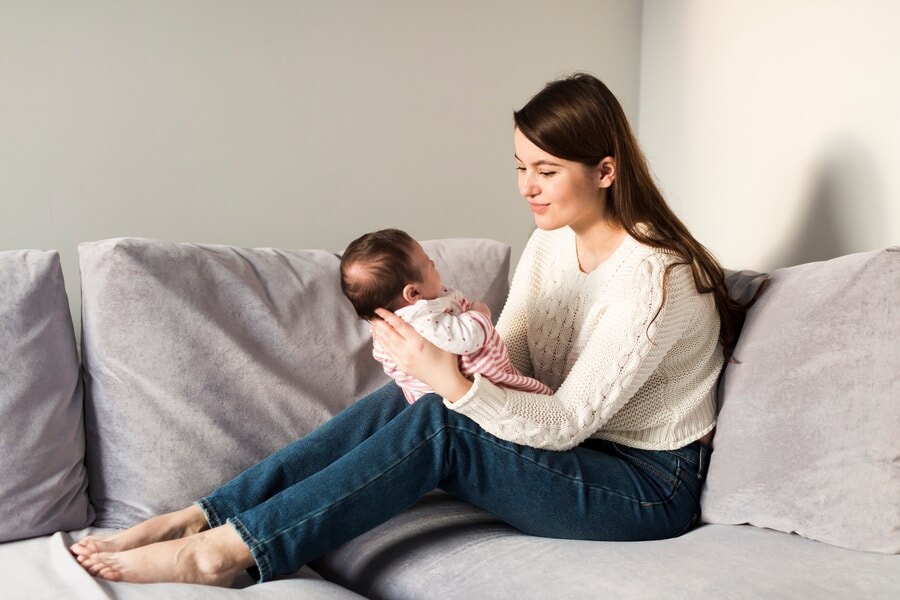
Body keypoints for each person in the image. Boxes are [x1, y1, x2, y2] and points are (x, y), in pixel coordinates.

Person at [70, 72, 761, 586]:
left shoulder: (655, 276)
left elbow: (567, 423)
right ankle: (204, 515)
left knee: (441, 419)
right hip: (576, 449)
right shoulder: (552, 241)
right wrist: (443, 358)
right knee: (406, 401)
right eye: (521, 167)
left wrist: (450, 384)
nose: (527, 186)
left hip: (646, 486)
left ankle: (228, 553)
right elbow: (511, 356)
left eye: (547, 171)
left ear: (605, 171)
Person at [339, 227, 553, 403]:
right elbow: (467, 339)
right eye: (426, 262)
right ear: (413, 293)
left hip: (431, 393)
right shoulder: (422, 318)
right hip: (466, 389)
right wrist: (480, 313)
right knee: (528, 394)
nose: (433, 263)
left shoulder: (397, 319)